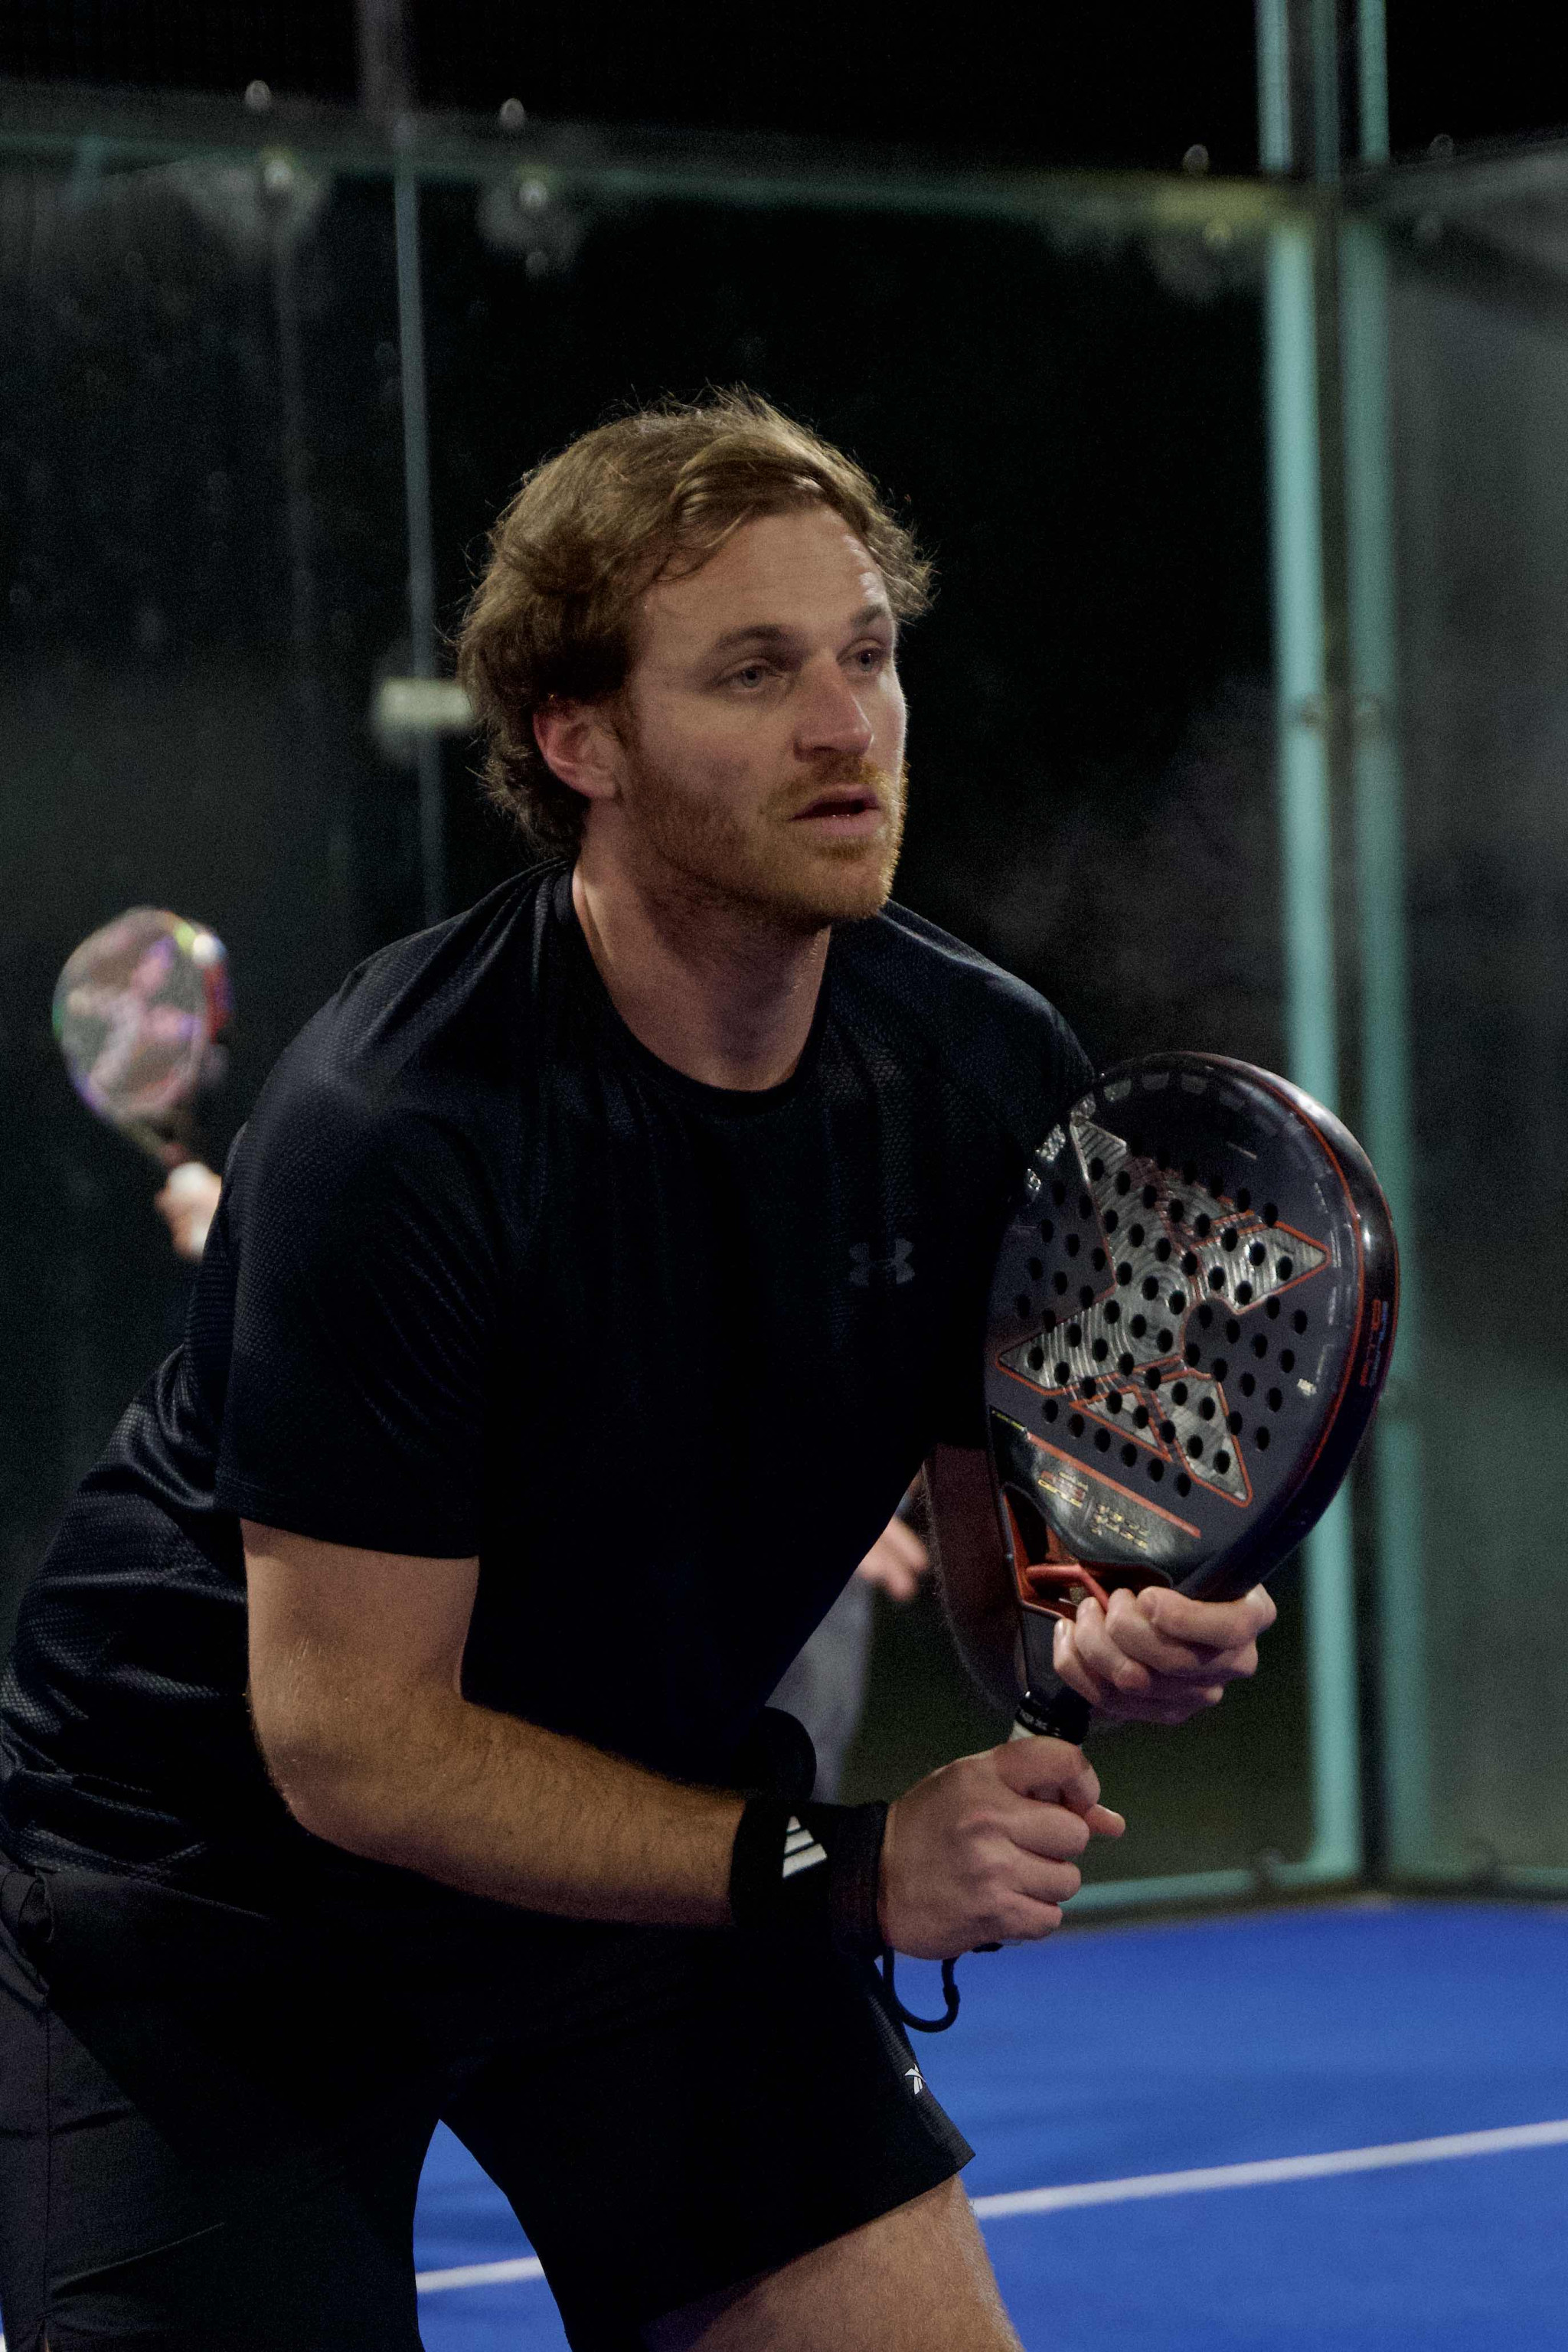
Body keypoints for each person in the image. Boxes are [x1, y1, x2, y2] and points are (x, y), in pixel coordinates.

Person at [0, 391, 1274, 2352]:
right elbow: (352, 1745)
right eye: (755, 673)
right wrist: (848, 1866)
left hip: (636, 1842)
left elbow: (1002, 1567)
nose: (847, 726)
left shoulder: (981, 1072)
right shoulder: (400, 1121)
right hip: (208, 1888)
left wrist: (1098, 1627)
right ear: (574, 738)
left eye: (868, 653)